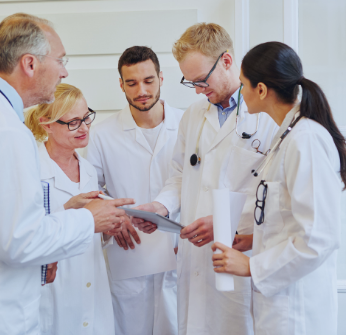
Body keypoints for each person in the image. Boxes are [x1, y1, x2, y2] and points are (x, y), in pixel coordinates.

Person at [0, 13, 133, 335]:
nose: (64, 71)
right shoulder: (2, 131)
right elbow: (17, 240)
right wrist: (88, 219)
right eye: (60, 60)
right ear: (30, 64)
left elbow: (0, 226)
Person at [133, 23, 278, 335]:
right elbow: (181, 174)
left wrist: (226, 221)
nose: (198, 90)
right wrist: (160, 208)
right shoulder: (194, 115)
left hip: (241, 250)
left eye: (202, 80)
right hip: (195, 254)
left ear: (226, 61)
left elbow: (273, 193)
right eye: (191, 83)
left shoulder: (266, 115)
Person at [211, 41, 345, 335]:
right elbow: (285, 216)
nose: (241, 92)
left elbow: (318, 238)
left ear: (261, 90)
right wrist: (252, 238)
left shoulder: (305, 139)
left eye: (243, 85)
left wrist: (251, 266)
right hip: (278, 306)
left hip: (297, 311)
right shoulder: (286, 136)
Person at [85, 46, 183, 335]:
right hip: (130, 253)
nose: (141, 90)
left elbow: (195, 181)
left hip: (179, 252)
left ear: (161, 78)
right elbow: (90, 191)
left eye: (148, 81)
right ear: (121, 84)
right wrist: (114, 216)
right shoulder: (102, 134)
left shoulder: (188, 125)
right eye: (131, 83)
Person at [25, 83, 115, 335]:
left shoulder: (88, 170)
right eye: (74, 122)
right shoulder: (31, 170)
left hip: (93, 289)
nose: (85, 127)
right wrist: (68, 210)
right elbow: (22, 235)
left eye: (86, 117)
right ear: (47, 124)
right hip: (51, 293)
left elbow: (92, 237)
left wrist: (109, 227)